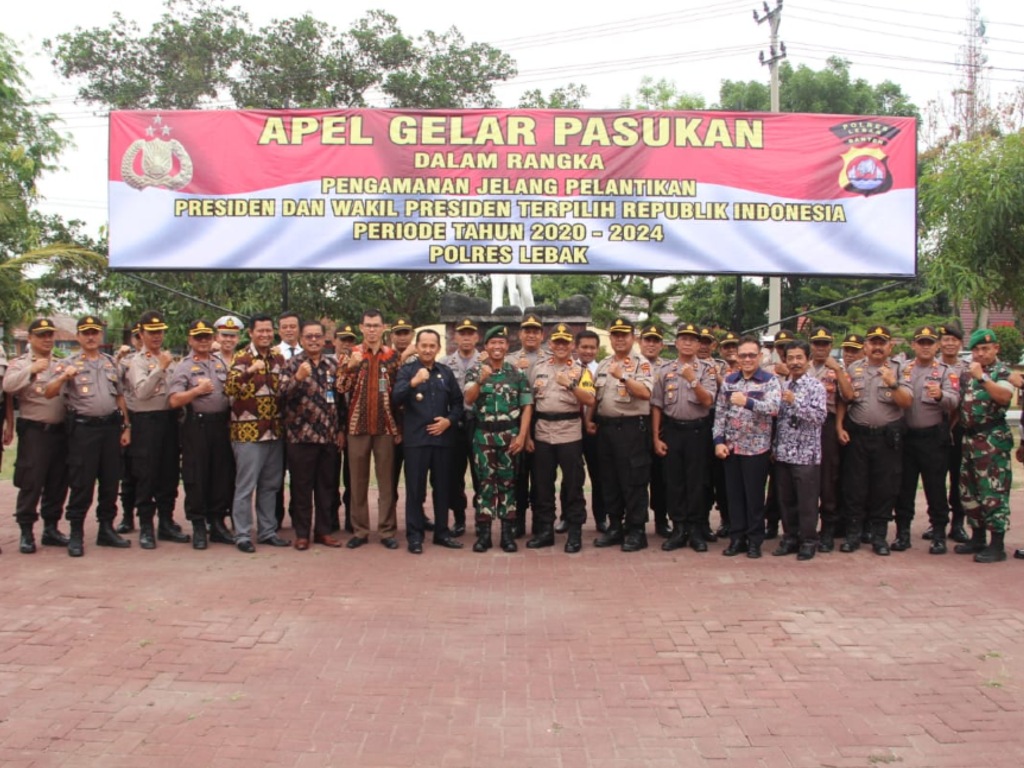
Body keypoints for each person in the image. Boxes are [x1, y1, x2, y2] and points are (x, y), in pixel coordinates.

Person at [45, 315, 132, 557]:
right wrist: (64, 377)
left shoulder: (110, 363)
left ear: (101, 335)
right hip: (84, 430)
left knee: (110, 480)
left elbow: (120, 396)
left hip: (111, 428)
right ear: (78, 336)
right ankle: (76, 532)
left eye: (95, 332)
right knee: (82, 482)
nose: (91, 337)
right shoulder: (68, 363)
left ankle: (106, 528)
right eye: (86, 333)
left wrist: (126, 426)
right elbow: (49, 392)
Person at [835, 325, 912, 555]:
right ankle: (853, 535)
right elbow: (843, 399)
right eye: (873, 342)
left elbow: (906, 402)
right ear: (866, 346)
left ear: (890, 346)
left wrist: (893, 383)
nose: (877, 347)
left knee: (884, 487)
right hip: (858, 436)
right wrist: (839, 426)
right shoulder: (854, 368)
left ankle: (879, 537)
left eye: (882, 343)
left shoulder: (900, 369)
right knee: (854, 487)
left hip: (886, 438)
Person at [392, 329, 464, 553]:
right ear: (417, 345)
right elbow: (395, 397)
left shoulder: (445, 372)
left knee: (442, 487)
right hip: (416, 440)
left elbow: (458, 403)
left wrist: (449, 421)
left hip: (442, 439)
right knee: (415, 489)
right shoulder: (407, 371)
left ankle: (442, 532)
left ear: (438, 348)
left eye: (432, 346)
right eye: (424, 345)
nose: (428, 349)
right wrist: (413, 383)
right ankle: (415, 536)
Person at [891, 326, 960, 554]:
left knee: (935, 488)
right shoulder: (904, 369)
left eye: (930, 343)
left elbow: (955, 400)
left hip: (932, 439)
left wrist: (941, 395)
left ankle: (938, 534)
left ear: (936, 346)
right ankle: (902, 534)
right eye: (921, 342)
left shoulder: (945, 371)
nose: (925, 346)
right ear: (913, 345)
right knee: (904, 488)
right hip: (907, 438)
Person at [4, 318, 71, 554]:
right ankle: (26, 531)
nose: (47, 339)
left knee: (58, 481)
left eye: (50, 335)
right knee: (32, 481)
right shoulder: (20, 363)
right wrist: (31, 370)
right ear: (30, 338)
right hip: (35, 431)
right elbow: (8, 386)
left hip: (61, 431)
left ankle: (51, 528)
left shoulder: (63, 363)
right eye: (41, 335)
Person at [464, 325, 533, 553]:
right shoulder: (475, 371)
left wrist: (522, 435)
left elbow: (527, 406)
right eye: (493, 342)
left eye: (501, 343)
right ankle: (484, 535)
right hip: (483, 436)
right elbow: (469, 399)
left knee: (508, 484)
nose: (497, 346)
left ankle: (507, 534)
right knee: (484, 485)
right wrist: (481, 382)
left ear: (507, 346)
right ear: (486, 346)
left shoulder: (517, 374)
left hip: (509, 437)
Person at [527, 324, 595, 553]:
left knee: (573, 484)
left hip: (569, 432)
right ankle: (545, 531)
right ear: (551, 344)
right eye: (557, 342)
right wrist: (527, 435)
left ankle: (574, 532)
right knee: (542, 484)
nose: (561, 346)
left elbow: (590, 401)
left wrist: (571, 385)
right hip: (543, 430)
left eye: (566, 342)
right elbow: (530, 403)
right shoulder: (539, 368)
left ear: (572, 346)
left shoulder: (581, 370)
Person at [587, 318, 654, 552]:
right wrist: (588, 421)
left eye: (624, 334)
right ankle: (615, 526)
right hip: (605, 429)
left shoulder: (641, 364)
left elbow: (645, 393)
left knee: (633, 481)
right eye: (615, 334)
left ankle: (636, 530)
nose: (619, 339)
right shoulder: (604, 364)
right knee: (609, 479)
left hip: (631, 429)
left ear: (633, 338)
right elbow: (595, 397)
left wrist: (624, 376)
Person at [225, 313, 289, 552]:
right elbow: (229, 389)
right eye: (260, 331)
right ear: (250, 333)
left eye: (268, 330)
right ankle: (242, 534)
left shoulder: (278, 358)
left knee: (271, 486)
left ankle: (267, 531)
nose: (265, 335)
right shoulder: (241, 358)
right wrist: (250, 370)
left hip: (274, 432)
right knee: (245, 486)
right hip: (248, 434)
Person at [125, 310, 189, 549]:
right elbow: (141, 392)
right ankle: (145, 527)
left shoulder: (169, 359)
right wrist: (159, 369)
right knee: (146, 474)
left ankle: (166, 522)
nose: (156, 336)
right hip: (146, 422)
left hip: (169, 421)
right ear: (141, 334)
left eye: (160, 332)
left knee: (169, 473)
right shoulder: (137, 362)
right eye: (151, 332)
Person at [168, 319, 235, 549]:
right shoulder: (184, 366)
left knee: (221, 475)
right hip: (197, 427)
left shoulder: (220, 364)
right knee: (196, 475)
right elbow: (174, 400)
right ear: (190, 340)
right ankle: (198, 524)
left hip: (221, 426)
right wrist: (196, 391)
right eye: (199, 337)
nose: (204, 341)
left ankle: (217, 523)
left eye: (207, 337)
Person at [279, 320, 345, 550]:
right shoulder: (291, 365)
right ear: (301, 338)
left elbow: (340, 401)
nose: (314, 340)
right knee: (301, 487)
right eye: (309, 337)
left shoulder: (331, 365)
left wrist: (341, 430)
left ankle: (324, 531)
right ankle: (302, 533)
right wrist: (297, 378)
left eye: (318, 336)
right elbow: (280, 396)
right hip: (301, 437)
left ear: (324, 339)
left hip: (328, 437)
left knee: (327, 487)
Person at [652, 322, 717, 553]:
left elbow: (708, 401)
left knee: (697, 482)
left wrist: (692, 379)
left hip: (698, 432)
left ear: (699, 344)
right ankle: (679, 528)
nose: (688, 342)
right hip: (672, 431)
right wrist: (656, 438)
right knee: (674, 482)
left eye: (693, 339)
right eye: (683, 338)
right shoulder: (665, 369)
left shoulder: (707, 369)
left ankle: (696, 529)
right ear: (676, 342)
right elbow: (657, 405)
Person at [338, 309, 402, 549]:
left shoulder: (393, 357)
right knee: (357, 482)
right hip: (357, 426)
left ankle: (387, 531)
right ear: (361, 327)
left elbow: (399, 395)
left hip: (385, 426)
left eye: (376, 325)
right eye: (368, 325)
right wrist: (350, 368)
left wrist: (399, 428)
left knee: (386, 483)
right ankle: (360, 530)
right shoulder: (351, 355)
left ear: (384, 328)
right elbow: (340, 388)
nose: (372, 329)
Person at [714, 336, 781, 558]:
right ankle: (737, 538)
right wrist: (719, 441)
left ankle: (754, 541)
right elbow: (720, 413)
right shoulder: (730, 381)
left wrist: (749, 402)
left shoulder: (769, 380)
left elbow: (774, 408)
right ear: (737, 358)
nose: (747, 359)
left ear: (760, 356)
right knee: (734, 497)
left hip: (757, 449)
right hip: (732, 448)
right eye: (743, 355)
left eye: (752, 355)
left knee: (753, 498)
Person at [956, 328, 1014, 563]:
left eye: (986, 349)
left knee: (993, 492)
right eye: (977, 349)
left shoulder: (1002, 373)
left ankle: (997, 545)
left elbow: (1004, 397)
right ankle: (977, 536)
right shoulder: (968, 373)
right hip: (969, 440)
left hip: (992, 441)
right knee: (969, 490)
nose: (981, 354)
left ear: (996, 349)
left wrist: (983, 377)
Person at [772, 340, 827, 560]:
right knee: (786, 500)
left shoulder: (815, 386)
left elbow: (819, 417)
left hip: (806, 454)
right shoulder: (783, 385)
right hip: (784, 452)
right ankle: (790, 538)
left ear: (808, 360)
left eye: (799, 358)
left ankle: (808, 541)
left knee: (806, 501)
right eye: (790, 358)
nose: (794, 363)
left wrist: (795, 402)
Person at [807, 326, 854, 552]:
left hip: (827, 424)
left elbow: (847, 397)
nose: (821, 348)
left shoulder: (838, 368)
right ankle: (805, 528)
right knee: (806, 478)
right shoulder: (803, 367)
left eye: (825, 344)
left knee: (828, 479)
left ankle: (827, 530)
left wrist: (838, 427)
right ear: (811, 345)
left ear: (831, 345)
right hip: (805, 427)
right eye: (817, 343)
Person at [509, 314, 548, 538]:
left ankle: (541, 523)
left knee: (542, 475)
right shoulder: (509, 359)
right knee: (518, 474)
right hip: (517, 421)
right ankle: (518, 521)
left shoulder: (552, 358)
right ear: (520, 334)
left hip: (543, 420)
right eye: (527, 330)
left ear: (542, 335)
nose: (531, 334)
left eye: (535, 330)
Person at [931, 323, 970, 544]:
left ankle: (957, 523)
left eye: (954, 340)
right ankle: (936, 521)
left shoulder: (967, 368)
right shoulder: (931, 367)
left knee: (958, 478)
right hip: (935, 430)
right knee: (935, 478)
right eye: (945, 340)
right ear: (939, 344)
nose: (949, 344)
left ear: (960, 343)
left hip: (958, 430)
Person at [443, 318, 482, 537]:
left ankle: (480, 518)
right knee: (454, 474)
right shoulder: (444, 363)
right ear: (456, 337)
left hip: (478, 423)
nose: (466, 337)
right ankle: (458, 518)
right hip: (454, 424)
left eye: (470, 333)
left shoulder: (485, 362)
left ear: (477, 337)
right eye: (462, 333)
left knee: (479, 473)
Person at [575, 330, 607, 533]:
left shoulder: (602, 369)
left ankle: (600, 517)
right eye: (584, 347)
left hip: (595, 427)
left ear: (597, 349)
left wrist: (590, 421)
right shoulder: (567, 369)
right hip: (569, 426)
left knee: (599, 474)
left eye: (592, 347)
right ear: (576, 347)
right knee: (572, 476)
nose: (588, 351)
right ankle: (568, 516)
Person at [639, 324, 670, 538]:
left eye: (655, 340)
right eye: (647, 340)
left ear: (661, 345)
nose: (651, 344)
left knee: (661, 476)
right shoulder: (629, 365)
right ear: (640, 342)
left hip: (662, 424)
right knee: (637, 476)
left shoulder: (668, 368)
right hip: (637, 424)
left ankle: (661, 519)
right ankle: (636, 521)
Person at [332, 324, 357, 534]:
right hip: (332, 429)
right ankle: (331, 519)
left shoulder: (357, 363)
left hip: (354, 428)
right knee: (330, 478)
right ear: (334, 342)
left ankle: (351, 519)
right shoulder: (327, 364)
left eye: (350, 340)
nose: (346, 345)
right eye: (343, 340)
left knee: (352, 478)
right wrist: (339, 429)